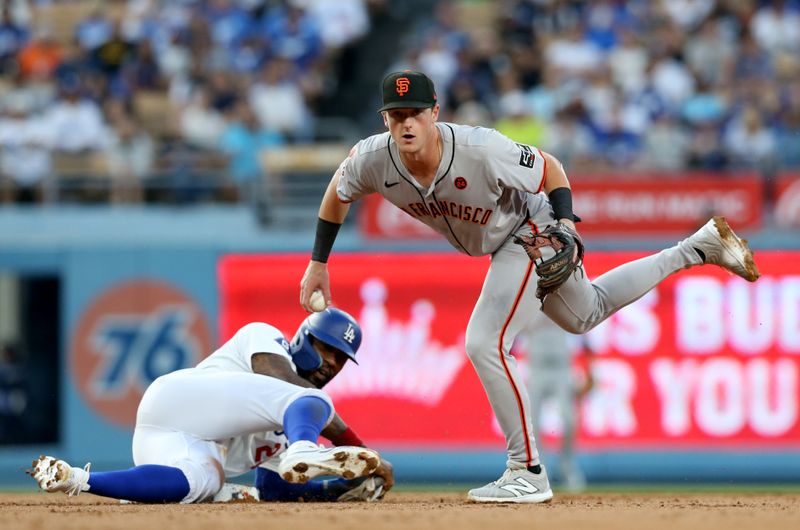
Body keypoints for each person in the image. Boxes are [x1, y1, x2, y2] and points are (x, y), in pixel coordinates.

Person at [299, 70, 760, 503]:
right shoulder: (372, 159)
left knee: (484, 341)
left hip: (529, 228)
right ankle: (698, 248)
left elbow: (550, 168)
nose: (406, 123)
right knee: (585, 313)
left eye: (415, 112)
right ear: (385, 119)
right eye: (397, 115)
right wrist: (318, 263)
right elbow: (338, 192)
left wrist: (565, 224)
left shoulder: (480, 149)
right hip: (501, 241)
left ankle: (527, 470)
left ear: (434, 112)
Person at [29, 308, 394, 503]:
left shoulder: (289, 419)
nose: (332, 362)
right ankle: (307, 449)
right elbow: (280, 380)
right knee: (312, 399)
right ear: (303, 338)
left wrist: (340, 490)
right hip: (178, 399)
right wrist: (361, 450)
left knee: (199, 483)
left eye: (342, 359)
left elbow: (275, 489)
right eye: (326, 348)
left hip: (168, 442)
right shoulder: (266, 337)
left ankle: (76, 478)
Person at [519, 311, 594, 492]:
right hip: (536, 368)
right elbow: (511, 341)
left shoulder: (565, 305)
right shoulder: (527, 305)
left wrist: (590, 373)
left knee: (569, 419)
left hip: (562, 369)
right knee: (531, 423)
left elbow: (585, 341)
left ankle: (566, 465)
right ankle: (538, 470)